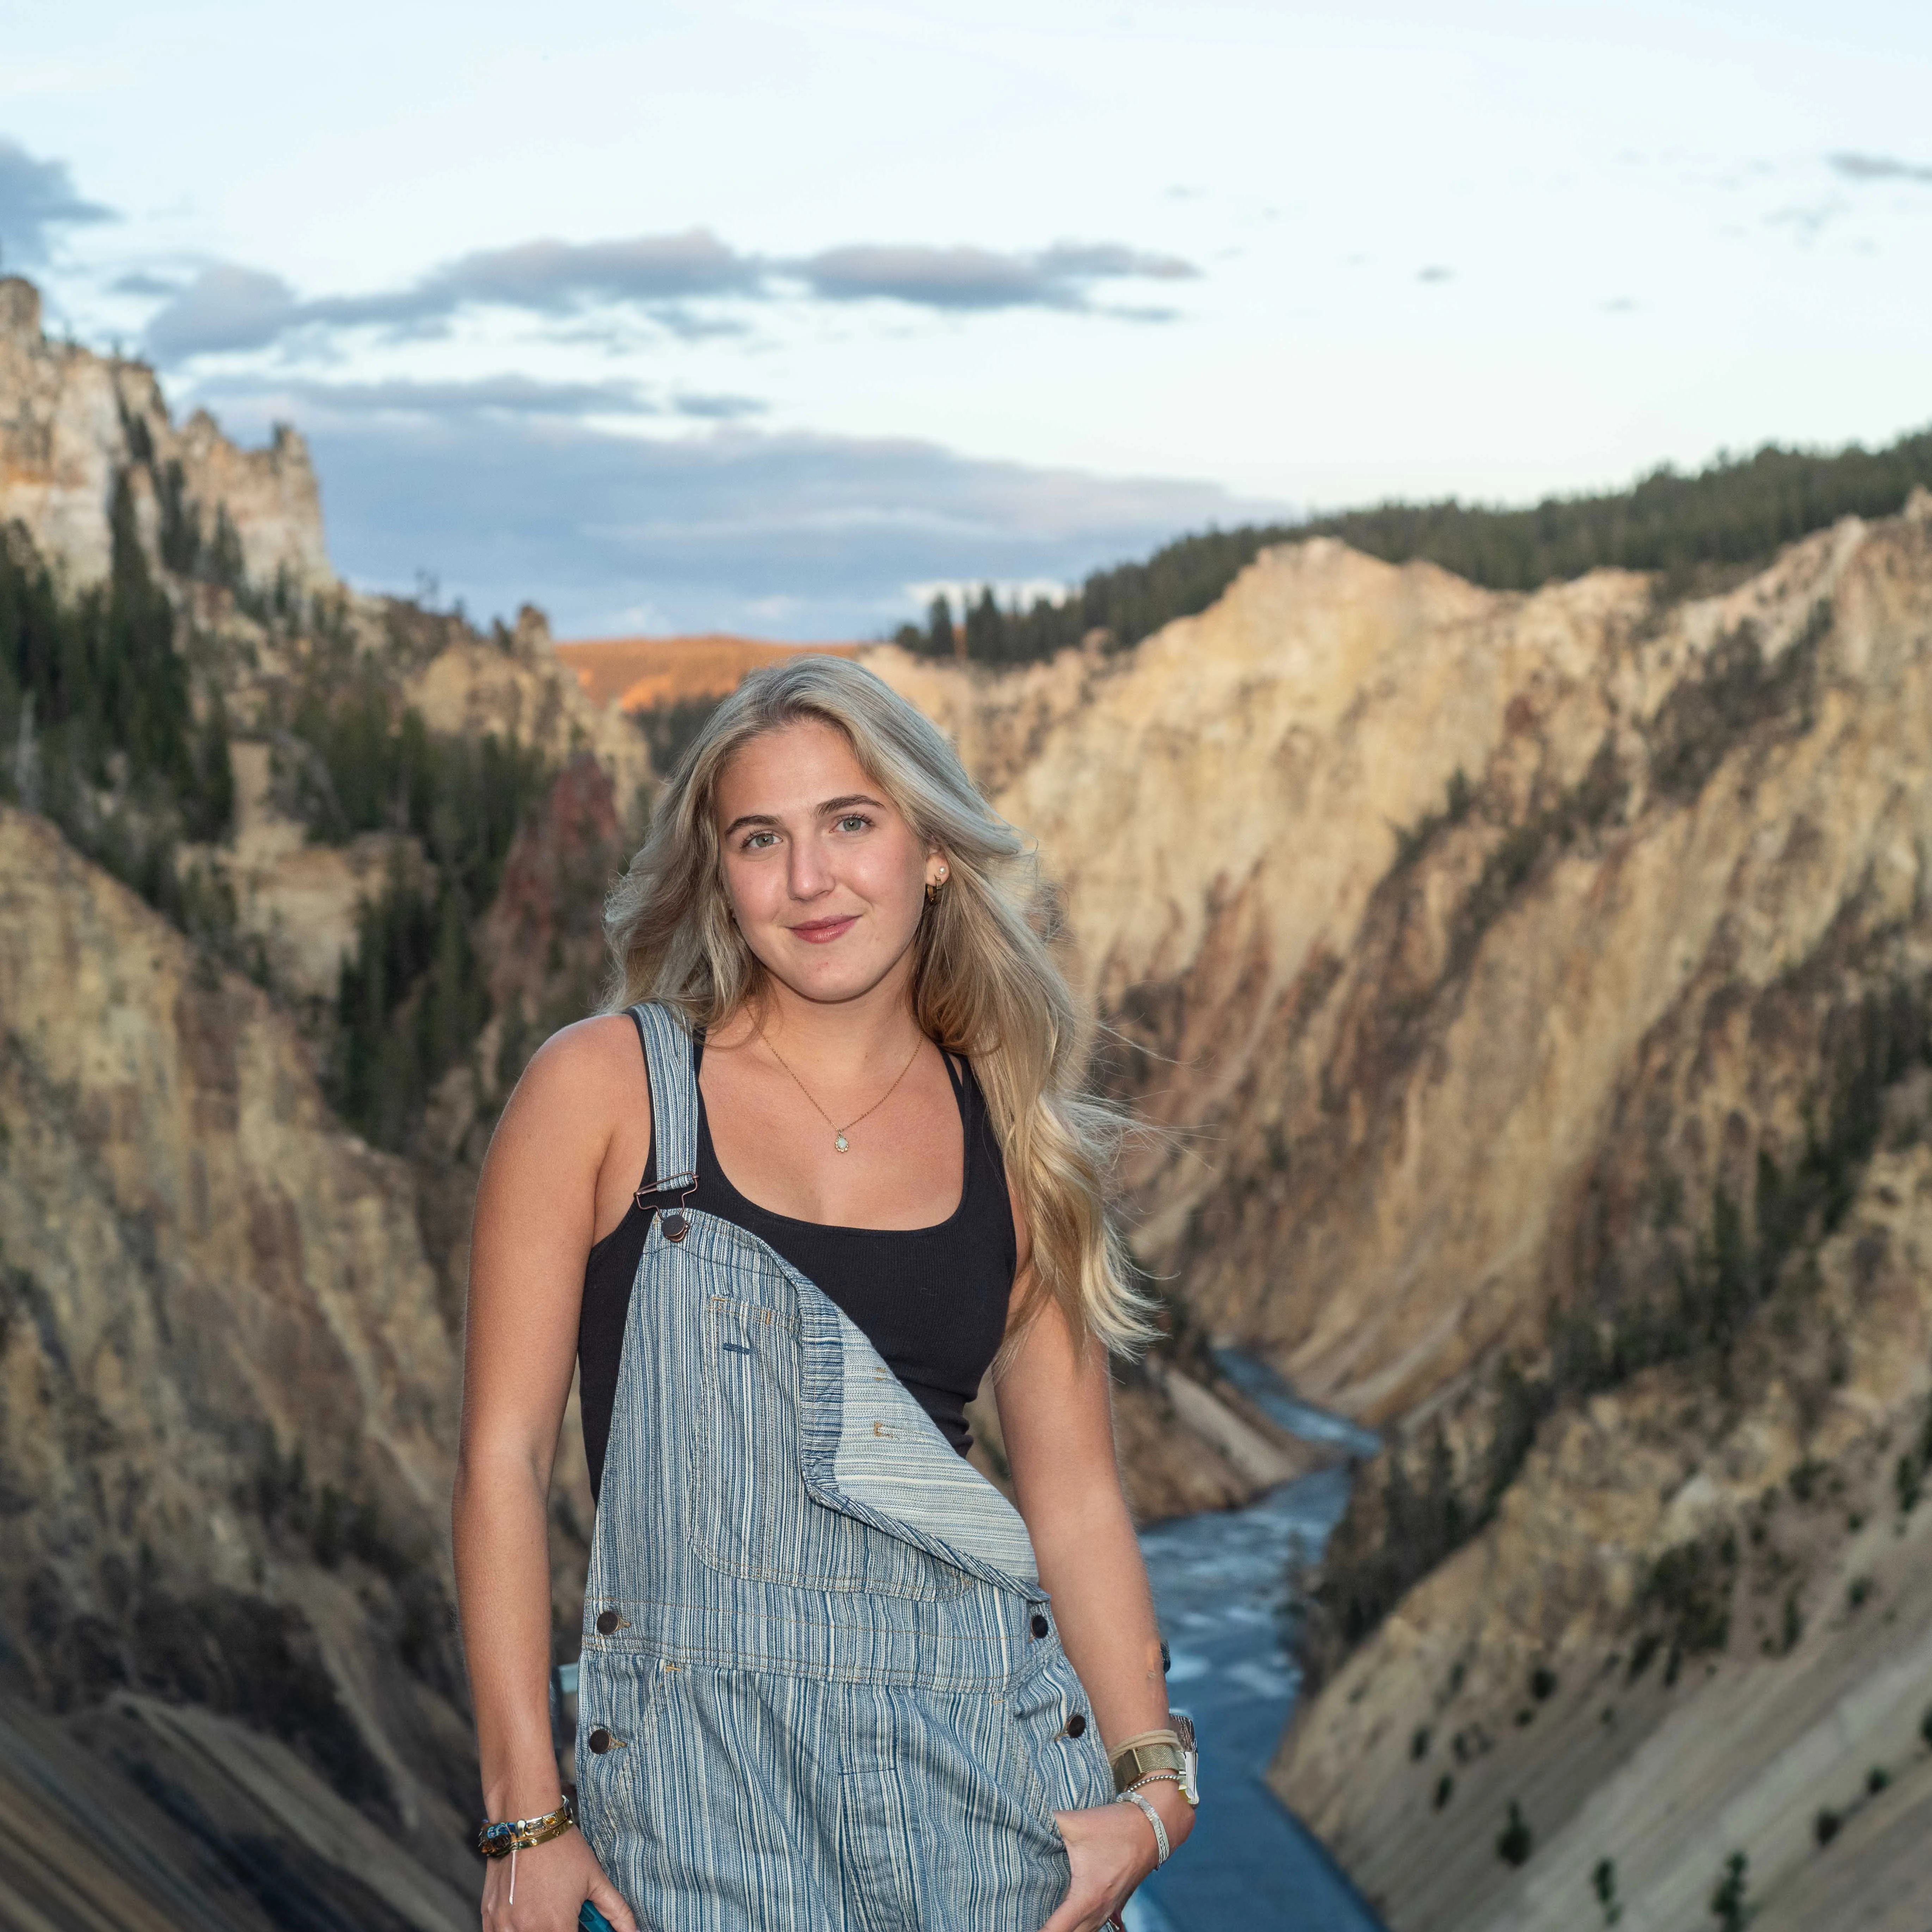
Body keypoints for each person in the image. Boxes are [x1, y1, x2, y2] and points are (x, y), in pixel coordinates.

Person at [454, 656, 1198, 1932]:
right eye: (762, 839)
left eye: (851, 822)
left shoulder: (1014, 1144)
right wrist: (528, 1821)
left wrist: (1154, 1797)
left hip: (985, 1808)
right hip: (687, 1820)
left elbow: (1075, 1501)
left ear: (932, 853)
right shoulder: (606, 1092)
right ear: (718, 879)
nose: (810, 880)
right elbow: (501, 1463)